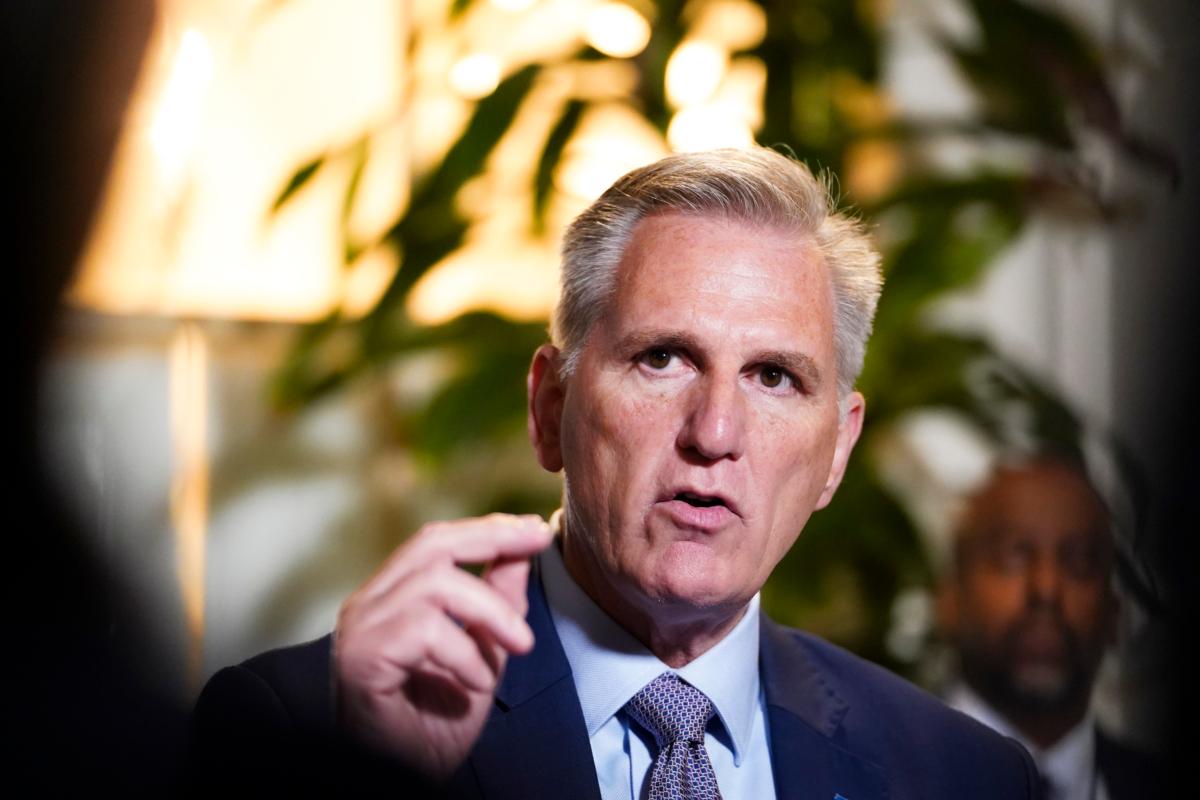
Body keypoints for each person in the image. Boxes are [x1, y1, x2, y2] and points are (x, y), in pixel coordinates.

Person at [194, 147, 1040, 797]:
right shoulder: (305, 732)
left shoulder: (962, 776)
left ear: (837, 453)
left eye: (775, 377)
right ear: (548, 408)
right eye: (664, 358)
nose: (714, 433)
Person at [938, 455, 1163, 800]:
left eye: (1080, 562)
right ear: (949, 600)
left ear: (1114, 614)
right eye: (1014, 555)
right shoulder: (872, 773)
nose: (1047, 589)